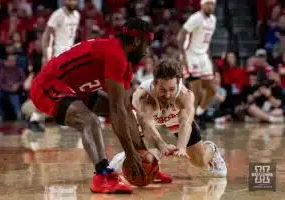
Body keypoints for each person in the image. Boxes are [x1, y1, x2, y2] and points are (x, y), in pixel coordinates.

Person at [30, 18, 154, 194]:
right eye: (147, 44)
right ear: (136, 41)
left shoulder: (124, 63)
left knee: (128, 110)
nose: (147, 51)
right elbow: (116, 111)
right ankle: (102, 175)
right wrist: (130, 153)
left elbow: (124, 110)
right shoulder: (115, 55)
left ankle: (140, 160)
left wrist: (144, 158)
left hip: (76, 88)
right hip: (48, 84)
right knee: (90, 120)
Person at [109, 59, 227, 182]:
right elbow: (147, 126)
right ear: (154, 83)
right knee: (140, 144)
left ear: (179, 83)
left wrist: (181, 147)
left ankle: (212, 150)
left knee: (199, 161)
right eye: (162, 89)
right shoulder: (144, 96)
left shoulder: (185, 96)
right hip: (145, 119)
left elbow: (185, 124)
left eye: (171, 89)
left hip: (174, 117)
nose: (167, 95)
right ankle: (123, 158)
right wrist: (162, 146)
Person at [29, 0, 81, 131]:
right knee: (49, 88)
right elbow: (47, 36)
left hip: (69, 56)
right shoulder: (58, 15)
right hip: (56, 57)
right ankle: (35, 119)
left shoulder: (77, 15)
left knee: (69, 88)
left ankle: (60, 117)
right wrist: (45, 57)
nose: (73, 1)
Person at [177, 0, 217, 129]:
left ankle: (199, 112)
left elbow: (208, 42)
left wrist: (209, 59)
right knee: (196, 90)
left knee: (212, 89)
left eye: (212, 4)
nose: (210, 6)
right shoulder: (195, 18)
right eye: (208, 3)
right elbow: (180, 36)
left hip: (203, 56)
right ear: (202, 4)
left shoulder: (213, 20)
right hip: (191, 55)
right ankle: (191, 121)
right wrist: (183, 56)